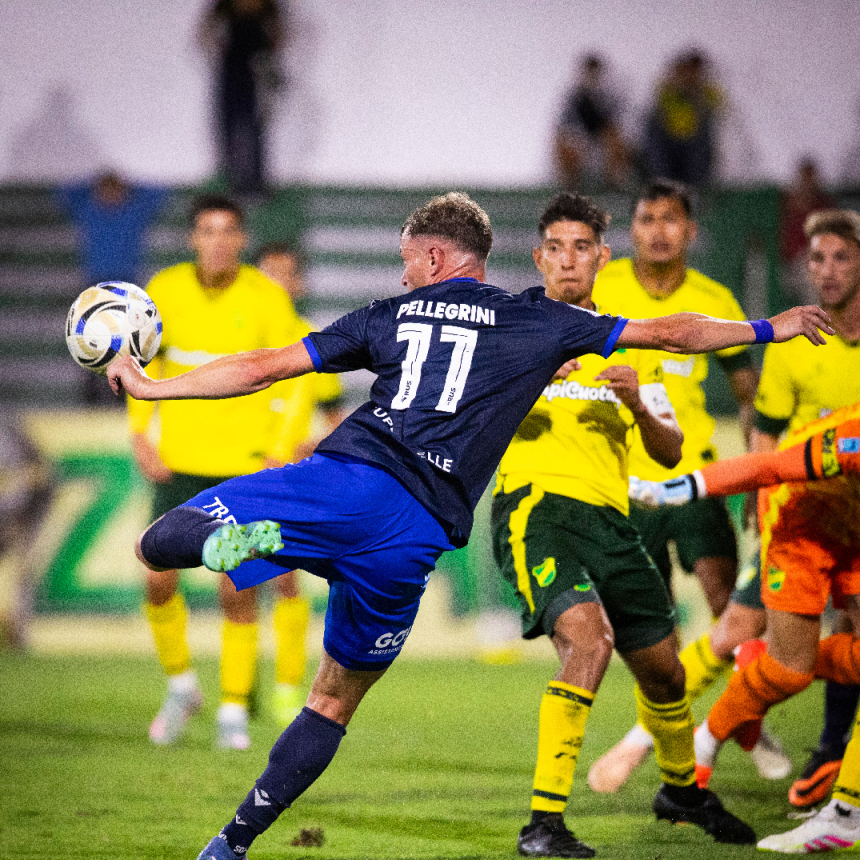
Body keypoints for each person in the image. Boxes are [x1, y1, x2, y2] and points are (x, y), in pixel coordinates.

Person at [106, 191, 831, 860]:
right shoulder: (539, 321)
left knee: (158, 544)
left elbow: (264, 368)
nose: (404, 275)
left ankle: (261, 540)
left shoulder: (386, 316)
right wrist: (770, 327)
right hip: (413, 538)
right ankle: (230, 844)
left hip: (346, 484)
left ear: (432, 255)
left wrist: (153, 386)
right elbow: (671, 334)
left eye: (406, 261)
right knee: (331, 701)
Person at [489, 192, 753, 858]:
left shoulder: (630, 340)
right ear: (539, 257)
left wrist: (636, 404)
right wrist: (529, 378)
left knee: (665, 672)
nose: (568, 259)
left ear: (602, 257)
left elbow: (668, 449)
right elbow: (471, 417)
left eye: (582, 247)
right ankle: (543, 824)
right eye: (557, 247)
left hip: (613, 518)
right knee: (589, 642)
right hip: (537, 509)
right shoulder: (510, 332)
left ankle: (681, 792)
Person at [586, 178, 760, 792]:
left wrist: (757, 474)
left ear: (690, 230)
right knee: (653, 637)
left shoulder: (714, 299)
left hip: (695, 480)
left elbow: (748, 394)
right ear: (631, 230)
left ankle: (743, 723)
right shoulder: (603, 287)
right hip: (623, 482)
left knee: (728, 606)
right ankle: (684, 746)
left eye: (670, 219)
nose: (658, 230)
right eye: (647, 218)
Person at [628, 401, 860, 853]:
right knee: (789, 670)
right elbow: (769, 467)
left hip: (854, 524)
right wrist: (679, 489)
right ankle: (708, 740)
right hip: (801, 522)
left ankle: (845, 813)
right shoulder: (850, 442)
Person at [129, 193, 310, 749]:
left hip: (242, 471)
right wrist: (140, 433)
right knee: (156, 578)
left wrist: (280, 448)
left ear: (241, 239)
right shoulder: (165, 290)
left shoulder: (265, 297)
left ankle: (233, 708)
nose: (217, 241)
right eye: (207, 230)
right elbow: (143, 362)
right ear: (193, 238)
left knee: (237, 587)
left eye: (228, 231)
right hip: (180, 464)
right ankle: (182, 685)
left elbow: (298, 375)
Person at [256, 241, 346, 720]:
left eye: (283, 273)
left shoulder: (313, 345)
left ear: (298, 283)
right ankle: (236, 691)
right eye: (266, 273)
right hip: (231, 470)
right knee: (233, 583)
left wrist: (308, 446)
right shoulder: (236, 339)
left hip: (285, 482)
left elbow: (337, 422)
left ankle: (287, 685)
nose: (275, 282)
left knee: (283, 577)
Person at [58, 170, 167, 406]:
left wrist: (130, 185)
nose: (110, 195)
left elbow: (160, 192)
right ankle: (92, 399)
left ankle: (125, 398)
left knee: (128, 346)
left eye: (115, 189)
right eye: (105, 190)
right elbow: (62, 190)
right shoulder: (88, 208)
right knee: (88, 343)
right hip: (94, 288)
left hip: (126, 287)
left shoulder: (134, 209)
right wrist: (92, 184)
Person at [200, 0, 285, 195]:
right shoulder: (225, 5)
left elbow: (279, 31)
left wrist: (269, 57)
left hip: (257, 70)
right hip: (232, 69)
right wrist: (218, 50)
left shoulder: (267, 6)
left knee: (253, 128)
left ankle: (255, 182)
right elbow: (208, 30)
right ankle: (236, 181)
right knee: (230, 125)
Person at [643, 51, 724, 187]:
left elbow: (723, 113)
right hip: (668, 148)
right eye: (686, 71)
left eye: (694, 72)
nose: (690, 76)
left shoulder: (708, 93)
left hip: (695, 150)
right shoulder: (667, 92)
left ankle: (696, 186)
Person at [553, 54, 631, 190]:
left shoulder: (610, 96)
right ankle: (570, 185)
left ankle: (614, 183)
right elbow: (565, 125)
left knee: (614, 140)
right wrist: (578, 139)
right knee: (564, 143)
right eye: (589, 73)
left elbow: (616, 123)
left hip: (603, 137)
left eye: (595, 73)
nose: (591, 78)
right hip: (580, 136)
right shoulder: (573, 97)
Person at [780, 158, 836, 305]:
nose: (808, 184)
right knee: (809, 270)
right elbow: (785, 247)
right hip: (794, 269)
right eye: (805, 179)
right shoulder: (786, 207)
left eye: (811, 179)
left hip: (823, 261)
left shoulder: (824, 206)